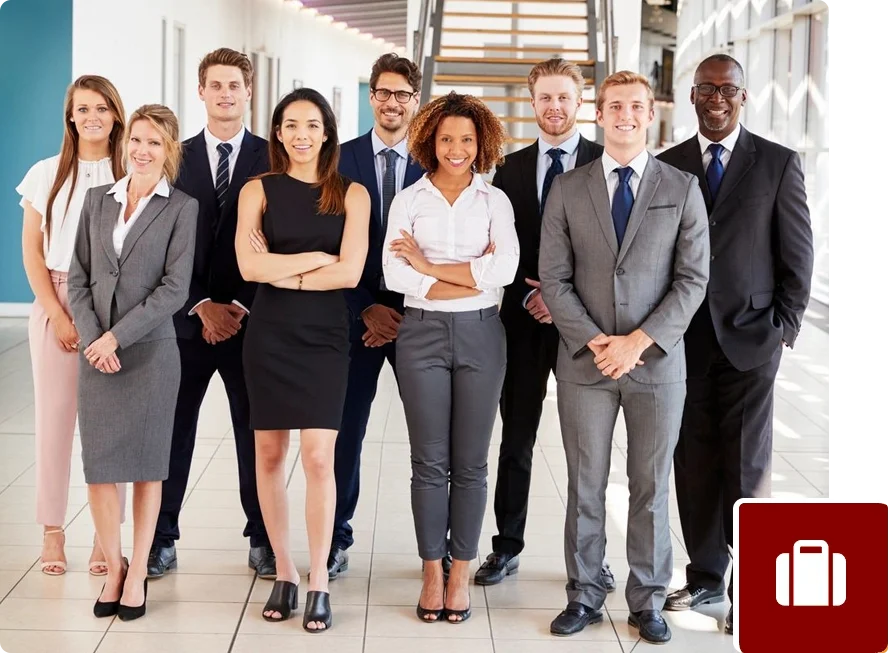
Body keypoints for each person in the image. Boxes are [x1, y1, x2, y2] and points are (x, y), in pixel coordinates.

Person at [539, 71, 709, 643]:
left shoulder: (682, 187)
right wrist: (596, 342)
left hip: (657, 366)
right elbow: (555, 280)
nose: (626, 116)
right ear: (599, 113)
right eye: (615, 106)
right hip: (586, 365)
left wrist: (637, 342)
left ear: (651, 112)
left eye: (636, 106)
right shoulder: (568, 188)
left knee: (649, 485)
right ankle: (585, 593)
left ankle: (648, 599)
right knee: (586, 484)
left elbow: (692, 279)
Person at [659, 54, 814, 635]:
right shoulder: (668, 165)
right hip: (683, 343)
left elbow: (797, 253)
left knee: (747, 467)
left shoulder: (777, 164)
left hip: (753, 340)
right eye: (706, 88)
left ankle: (754, 586)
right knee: (693, 461)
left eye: (727, 89)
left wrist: (785, 328)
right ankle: (704, 578)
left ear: (743, 96)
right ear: (693, 95)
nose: (716, 97)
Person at [474, 57, 615, 592]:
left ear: (580, 101)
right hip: (523, 322)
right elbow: (498, 249)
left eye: (564, 97)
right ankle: (506, 546)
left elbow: (610, 250)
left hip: (588, 325)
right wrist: (532, 296)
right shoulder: (507, 171)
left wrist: (562, 301)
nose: (554, 107)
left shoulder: (605, 163)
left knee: (590, 448)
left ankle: (592, 559)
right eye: (544, 98)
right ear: (532, 103)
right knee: (516, 439)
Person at [383, 91, 519, 624]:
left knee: (471, 463)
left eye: (466, 139)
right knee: (428, 461)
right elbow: (397, 276)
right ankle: (431, 571)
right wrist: (466, 274)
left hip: (484, 335)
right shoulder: (409, 199)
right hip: (420, 335)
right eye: (446, 139)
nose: (456, 148)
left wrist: (430, 268)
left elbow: (503, 271)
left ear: (480, 142)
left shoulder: (495, 203)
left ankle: (460, 570)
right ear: (429, 142)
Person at [236, 88, 370, 630]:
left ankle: (318, 579)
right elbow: (247, 267)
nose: (300, 135)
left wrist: (283, 268)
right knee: (268, 455)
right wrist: (313, 261)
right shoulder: (257, 189)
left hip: (324, 338)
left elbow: (352, 273)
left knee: (318, 457)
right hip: (269, 334)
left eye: (311, 125)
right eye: (290, 125)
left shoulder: (352, 194)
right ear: (277, 132)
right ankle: (285, 571)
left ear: (327, 133)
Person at [67, 104, 198, 621]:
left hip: (148, 354)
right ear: (127, 144)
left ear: (169, 152)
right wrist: (93, 338)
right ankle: (114, 568)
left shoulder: (181, 208)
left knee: (146, 470)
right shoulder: (98, 201)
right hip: (94, 353)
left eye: (155, 143)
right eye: (137, 140)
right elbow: (77, 275)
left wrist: (116, 338)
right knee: (100, 469)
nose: (142, 150)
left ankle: (139, 570)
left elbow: (173, 290)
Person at [148, 47, 274, 581]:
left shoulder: (275, 158)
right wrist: (201, 303)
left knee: (256, 432)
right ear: (200, 91)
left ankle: (264, 538)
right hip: (185, 320)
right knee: (174, 431)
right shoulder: (173, 157)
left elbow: (280, 237)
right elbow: (159, 240)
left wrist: (240, 305)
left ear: (249, 93)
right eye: (215, 84)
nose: (225, 93)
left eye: (235, 85)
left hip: (253, 320)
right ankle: (160, 537)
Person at [16, 75, 128, 578]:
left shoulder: (131, 170)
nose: (92, 117)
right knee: (56, 423)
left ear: (116, 115)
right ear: (71, 117)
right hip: (57, 297)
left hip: (113, 303)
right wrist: (58, 315)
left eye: (102, 108)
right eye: (83, 109)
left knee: (110, 428)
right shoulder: (45, 173)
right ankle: (52, 530)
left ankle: (108, 538)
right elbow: (32, 253)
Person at [330, 53, 425, 580]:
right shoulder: (338, 162)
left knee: (432, 435)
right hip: (354, 319)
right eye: (383, 93)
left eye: (403, 95)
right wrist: (364, 305)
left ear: (416, 100)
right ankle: (337, 537)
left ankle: (437, 546)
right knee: (346, 430)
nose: (392, 103)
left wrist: (406, 310)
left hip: (420, 319)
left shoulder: (438, 162)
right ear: (372, 97)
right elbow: (327, 243)